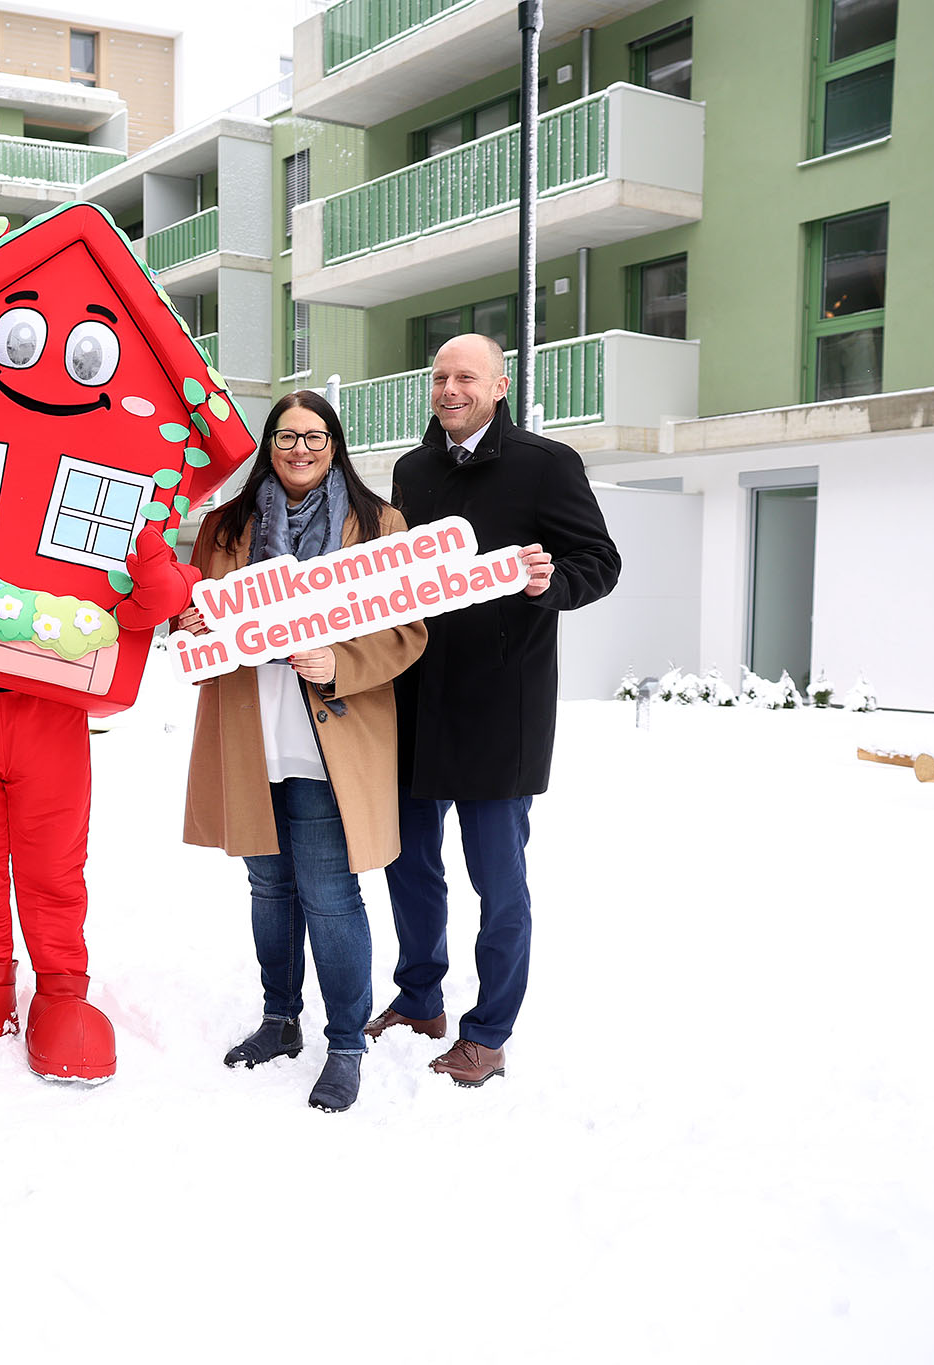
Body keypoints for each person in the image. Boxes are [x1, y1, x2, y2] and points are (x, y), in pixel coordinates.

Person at [370, 333, 621, 1085]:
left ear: (500, 385)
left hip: (498, 708)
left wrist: (551, 584)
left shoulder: (547, 464)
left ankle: (487, 1033)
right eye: (440, 376)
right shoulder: (410, 470)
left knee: (498, 882)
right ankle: (420, 999)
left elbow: (598, 562)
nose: (450, 388)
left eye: (466, 377)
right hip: (414, 702)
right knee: (409, 866)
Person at [178, 391, 426, 1113]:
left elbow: (407, 632)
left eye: (314, 435)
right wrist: (192, 619)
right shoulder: (227, 526)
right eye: (286, 436)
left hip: (330, 738)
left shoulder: (380, 525)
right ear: (269, 443)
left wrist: (338, 663)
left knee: (329, 892)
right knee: (267, 888)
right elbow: (194, 613)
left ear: (335, 442)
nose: (300, 449)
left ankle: (346, 1041)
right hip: (249, 732)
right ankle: (280, 1018)